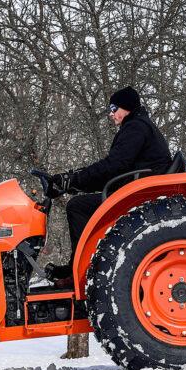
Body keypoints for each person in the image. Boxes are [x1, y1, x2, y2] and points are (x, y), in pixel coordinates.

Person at [49, 85, 174, 260]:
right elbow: (114, 172)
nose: (111, 113)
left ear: (127, 107)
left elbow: (114, 165)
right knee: (80, 202)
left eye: (114, 108)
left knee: (77, 207)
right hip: (134, 189)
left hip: (139, 194)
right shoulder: (139, 126)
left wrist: (74, 180)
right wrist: (74, 183)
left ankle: (82, 265)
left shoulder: (135, 127)